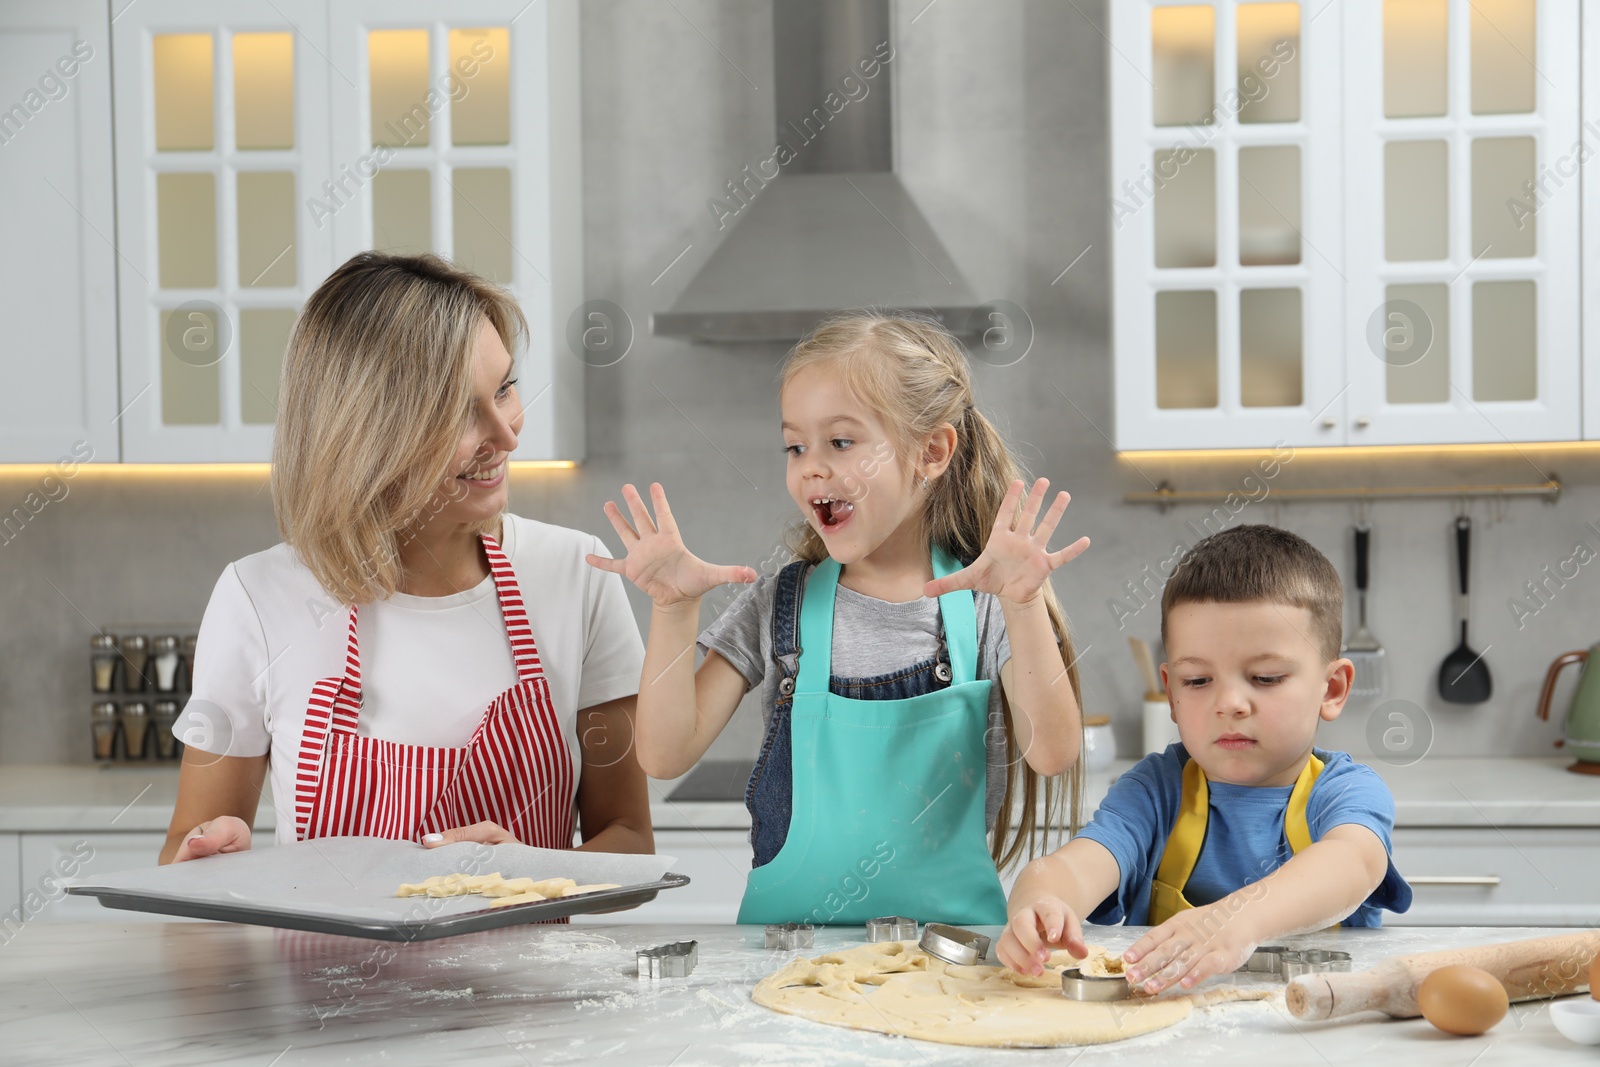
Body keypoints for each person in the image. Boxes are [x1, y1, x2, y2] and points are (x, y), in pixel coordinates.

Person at [586, 312, 1089, 925]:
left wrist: (1023, 604)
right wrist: (673, 609)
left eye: (841, 442)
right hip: (786, 957)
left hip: (952, 965)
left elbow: (1054, 752)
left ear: (931, 451)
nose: (811, 468)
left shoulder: (984, 605)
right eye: (795, 446)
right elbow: (664, 755)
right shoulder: (781, 605)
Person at [160, 252, 651, 864]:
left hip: (530, 964)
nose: (507, 435)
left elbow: (630, 840)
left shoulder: (578, 573)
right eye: (460, 415)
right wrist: (207, 859)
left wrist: (527, 868)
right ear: (365, 433)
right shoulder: (257, 597)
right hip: (323, 966)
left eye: (504, 388)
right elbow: (188, 843)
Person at [998, 525, 1413, 992]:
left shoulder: (1344, 791)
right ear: (1171, 692)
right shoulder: (1156, 792)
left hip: (1318, 1027)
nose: (1230, 703)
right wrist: (1040, 904)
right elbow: (1070, 869)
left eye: (1266, 677)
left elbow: (1351, 864)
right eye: (1197, 681)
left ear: (1332, 688)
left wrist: (1234, 921)